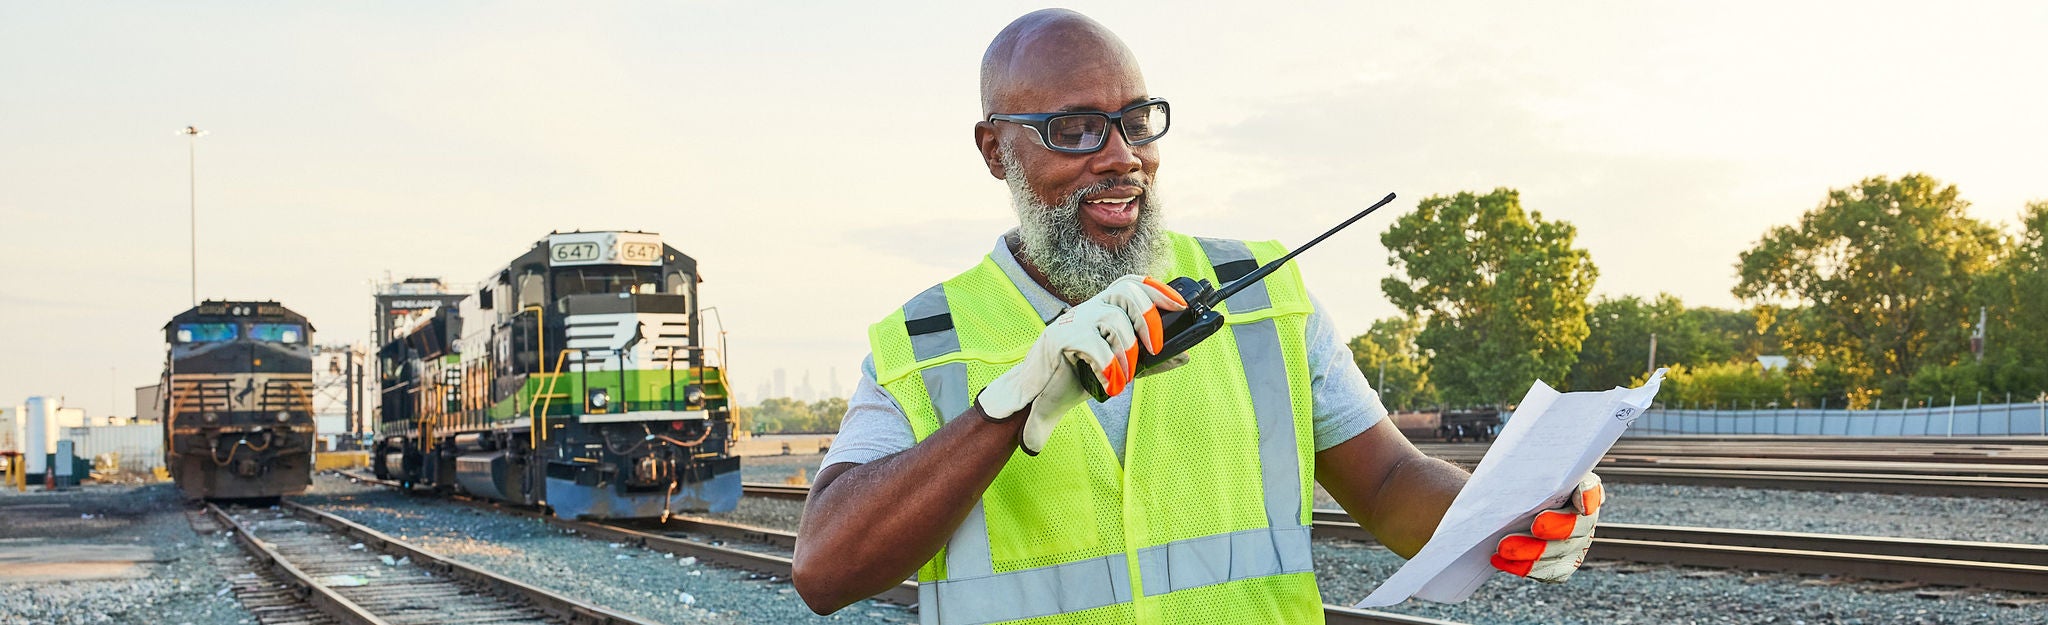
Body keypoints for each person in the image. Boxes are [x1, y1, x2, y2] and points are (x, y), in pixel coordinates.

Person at [792, 9, 1602, 624]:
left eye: (1136, 121)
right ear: (994, 149)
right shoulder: (925, 342)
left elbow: (1389, 483)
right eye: (1072, 129)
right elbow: (825, 571)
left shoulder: (1260, 293)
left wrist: (1510, 511)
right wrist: (1010, 406)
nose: (1120, 157)